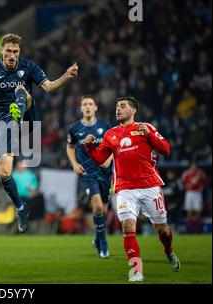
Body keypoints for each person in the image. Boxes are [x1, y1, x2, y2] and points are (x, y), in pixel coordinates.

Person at [0, 33, 78, 233]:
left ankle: (17, 110)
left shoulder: (28, 67)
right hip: (4, 125)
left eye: (15, 51)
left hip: (28, 118)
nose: (11, 55)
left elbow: (50, 87)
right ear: (1, 51)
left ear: (19, 52)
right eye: (8, 51)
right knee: (4, 173)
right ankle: (20, 207)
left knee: (22, 91)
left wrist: (66, 76)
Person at [84, 96, 180, 282]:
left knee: (162, 229)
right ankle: (136, 270)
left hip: (150, 186)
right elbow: (99, 158)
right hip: (125, 188)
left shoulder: (145, 127)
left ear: (133, 110)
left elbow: (166, 150)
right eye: (117, 107)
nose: (118, 109)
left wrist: (150, 135)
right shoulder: (111, 134)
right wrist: (89, 147)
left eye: (122, 106)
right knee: (128, 227)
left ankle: (168, 250)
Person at [66, 95, 113, 258]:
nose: (87, 106)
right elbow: (70, 147)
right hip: (87, 173)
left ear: (95, 107)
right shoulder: (74, 128)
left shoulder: (105, 126)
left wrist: (108, 159)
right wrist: (74, 164)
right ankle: (104, 246)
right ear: (80, 108)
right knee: (98, 207)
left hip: (105, 173)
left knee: (104, 211)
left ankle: (97, 238)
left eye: (90, 104)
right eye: (84, 104)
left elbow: (114, 147)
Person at [182, 160, 209, 233]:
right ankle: (189, 230)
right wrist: (187, 186)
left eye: (195, 166)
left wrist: (202, 187)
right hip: (189, 193)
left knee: (198, 211)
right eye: (193, 165)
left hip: (197, 193)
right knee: (189, 211)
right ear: (190, 166)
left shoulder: (200, 173)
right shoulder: (186, 173)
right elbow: (183, 184)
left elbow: (206, 181)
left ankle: (199, 230)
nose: (194, 167)